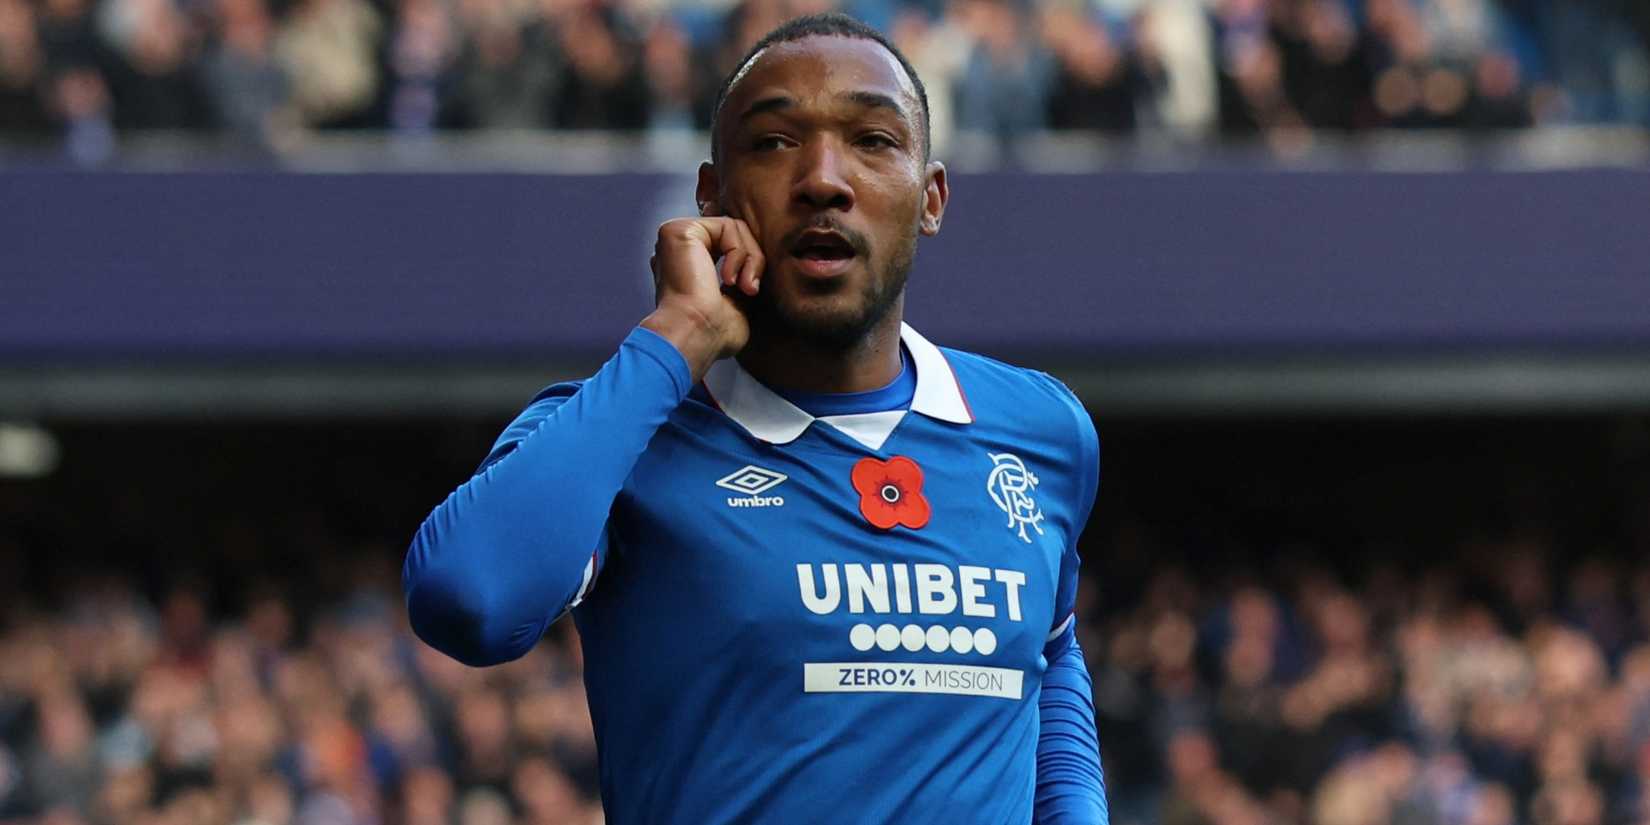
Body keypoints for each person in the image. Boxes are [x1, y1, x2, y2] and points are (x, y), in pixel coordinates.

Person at [402, 12, 1107, 823]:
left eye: (873, 140)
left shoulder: (1041, 429)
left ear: (931, 197)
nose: (823, 179)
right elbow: (468, 600)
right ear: (711, 196)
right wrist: (676, 337)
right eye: (774, 142)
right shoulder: (620, 432)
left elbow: (1050, 654)